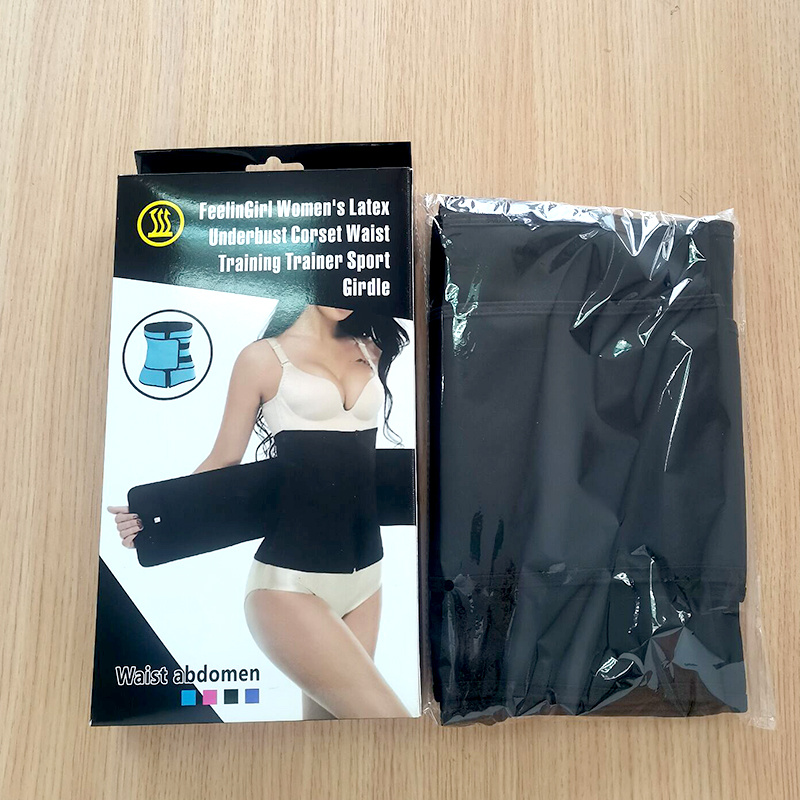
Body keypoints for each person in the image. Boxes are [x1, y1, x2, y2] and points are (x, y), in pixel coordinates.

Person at [108, 303, 411, 719]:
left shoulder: (368, 347)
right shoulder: (262, 359)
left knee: (336, 738)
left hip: (367, 582)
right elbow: (224, 458)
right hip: (289, 587)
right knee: (386, 722)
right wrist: (155, 517)